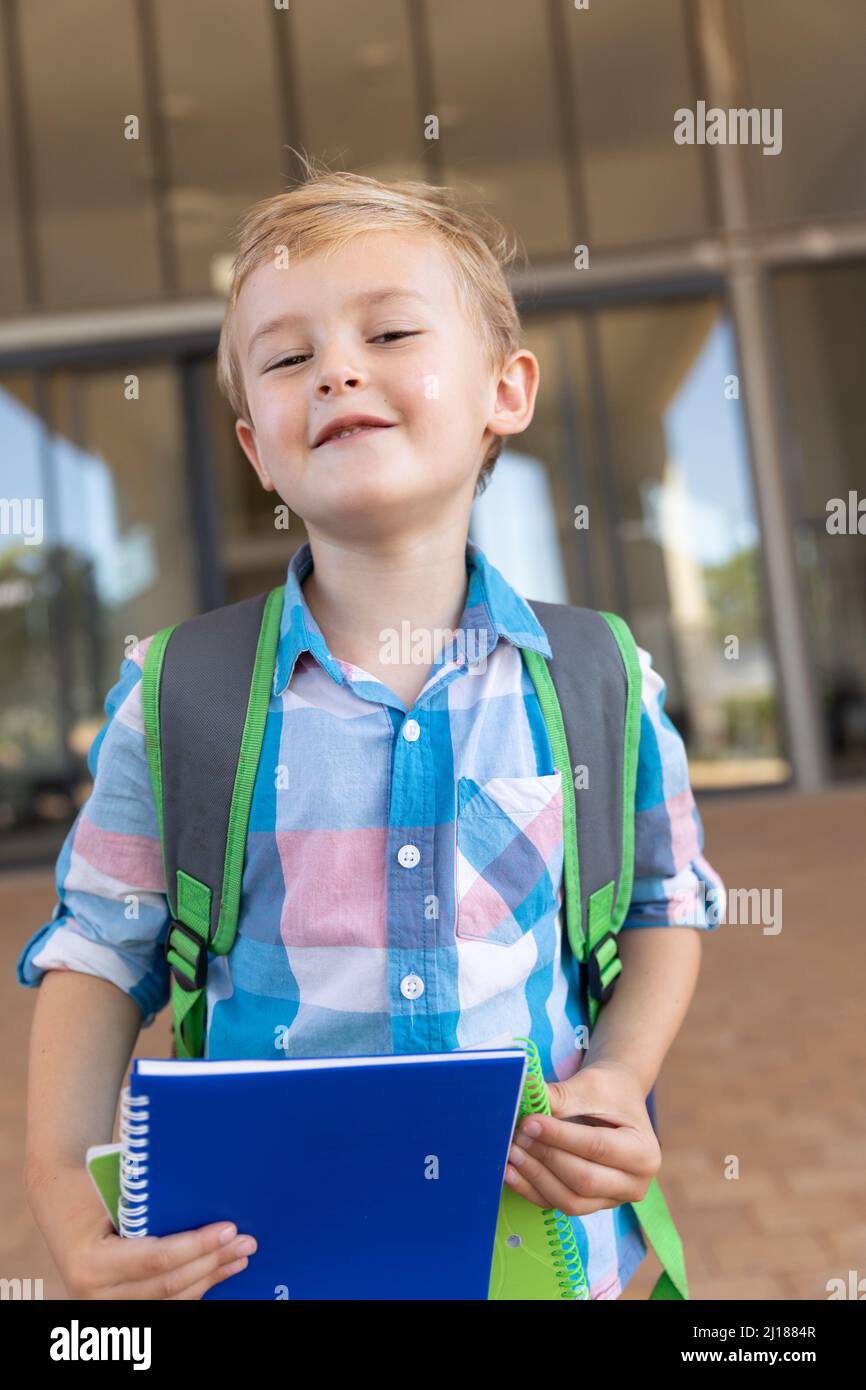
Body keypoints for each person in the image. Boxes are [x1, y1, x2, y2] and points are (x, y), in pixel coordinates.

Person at [18, 156, 726, 1300]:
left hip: (540, 1262)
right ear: (258, 449)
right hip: (264, 1261)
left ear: (506, 389)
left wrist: (622, 1075)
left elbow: (660, 905)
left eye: (389, 334)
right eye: (288, 358)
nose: (336, 369)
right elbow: (100, 951)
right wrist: (59, 1188)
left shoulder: (602, 677)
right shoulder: (175, 697)